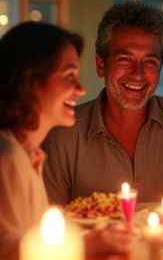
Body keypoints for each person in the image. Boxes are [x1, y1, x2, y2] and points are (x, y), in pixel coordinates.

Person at [42, 0, 163, 206]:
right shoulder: (61, 136)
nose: (138, 75)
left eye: (149, 62)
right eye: (125, 59)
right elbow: (51, 222)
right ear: (100, 65)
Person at [0, 21, 132, 260]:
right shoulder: (7, 159)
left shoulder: (27, 154)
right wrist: (82, 248)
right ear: (31, 80)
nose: (80, 89)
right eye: (69, 76)